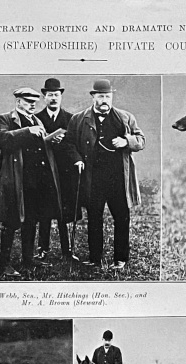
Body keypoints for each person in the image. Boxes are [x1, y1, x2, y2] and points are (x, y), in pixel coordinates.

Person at [63, 79, 145, 270]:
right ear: (93, 97)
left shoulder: (125, 118)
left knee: (122, 217)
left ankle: (120, 259)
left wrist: (126, 141)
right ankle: (94, 258)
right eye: (100, 96)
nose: (104, 100)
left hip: (118, 178)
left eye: (108, 96)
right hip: (93, 178)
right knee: (94, 218)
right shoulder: (79, 119)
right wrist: (77, 159)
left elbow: (141, 140)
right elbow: (69, 143)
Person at [0, 86, 62, 278]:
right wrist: (27, 131)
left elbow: (40, 145)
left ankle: (28, 259)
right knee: (11, 221)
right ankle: (4, 264)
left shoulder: (37, 121)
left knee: (31, 219)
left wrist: (51, 140)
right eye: (28, 101)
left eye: (35, 102)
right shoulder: (6, 119)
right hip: (17, 178)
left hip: (37, 179)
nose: (33, 105)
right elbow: (2, 140)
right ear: (18, 101)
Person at [35, 78, 76, 260]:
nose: (53, 98)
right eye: (50, 95)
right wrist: (47, 142)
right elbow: (32, 145)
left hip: (64, 172)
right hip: (44, 172)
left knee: (63, 213)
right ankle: (43, 249)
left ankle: (67, 251)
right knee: (44, 211)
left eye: (56, 95)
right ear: (44, 97)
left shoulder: (70, 119)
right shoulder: (36, 119)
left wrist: (63, 142)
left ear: (61, 97)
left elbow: (74, 143)